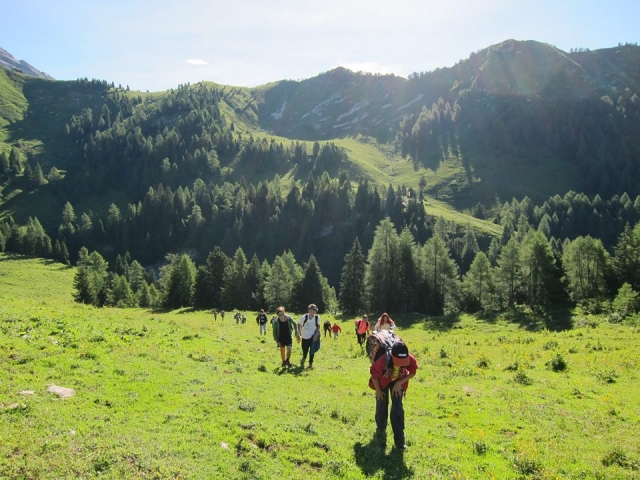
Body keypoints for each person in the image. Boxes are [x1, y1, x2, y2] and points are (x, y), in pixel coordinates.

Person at [369, 342, 418, 450]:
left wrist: (399, 383)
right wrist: (378, 390)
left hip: (399, 380)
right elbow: (374, 376)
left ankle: (400, 440)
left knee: (397, 408)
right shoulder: (383, 360)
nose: (401, 364)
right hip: (382, 381)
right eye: (398, 362)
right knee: (381, 403)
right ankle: (380, 430)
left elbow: (413, 372)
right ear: (392, 355)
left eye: (403, 362)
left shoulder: (410, 359)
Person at [298, 304, 321, 369]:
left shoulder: (317, 318)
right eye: (311, 311)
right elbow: (299, 324)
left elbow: (318, 326)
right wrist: (299, 333)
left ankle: (310, 363)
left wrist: (316, 335)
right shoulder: (304, 317)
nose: (312, 313)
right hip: (305, 335)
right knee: (305, 350)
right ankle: (304, 357)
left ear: (316, 311)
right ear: (308, 310)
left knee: (312, 350)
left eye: (314, 311)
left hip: (313, 335)